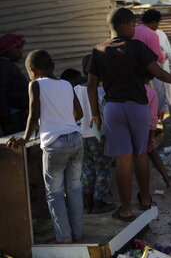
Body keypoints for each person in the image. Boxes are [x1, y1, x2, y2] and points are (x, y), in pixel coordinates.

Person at [87, 8, 171, 221]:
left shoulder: (98, 50)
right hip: (137, 106)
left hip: (113, 108)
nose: (135, 29)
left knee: (123, 159)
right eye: (132, 25)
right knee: (140, 154)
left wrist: (95, 115)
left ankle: (125, 209)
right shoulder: (137, 47)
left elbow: (91, 85)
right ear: (123, 26)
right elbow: (157, 72)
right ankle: (146, 199)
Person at [5, 50, 84, 243]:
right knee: (74, 189)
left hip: (55, 145)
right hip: (75, 139)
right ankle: (78, 234)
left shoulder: (35, 85)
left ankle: (64, 238)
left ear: (32, 70)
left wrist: (25, 138)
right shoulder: (66, 84)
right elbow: (79, 114)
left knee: (55, 192)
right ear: (52, 66)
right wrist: (61, 119)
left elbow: (33, 113)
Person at [74, 55, 116, 215]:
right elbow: (106, 113)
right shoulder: (101, 91)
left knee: (87, 170)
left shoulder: (76, 89)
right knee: (103, 169)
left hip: (81, 134)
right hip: (98, 135)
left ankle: (88, 205)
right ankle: (100, 203)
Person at [145, 79, 171, 188]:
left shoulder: (129, 90)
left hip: (133, 128)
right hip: (146, 129)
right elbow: (154, 117)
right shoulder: (150, 91)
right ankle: (167, 179)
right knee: (149, 151)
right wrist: (152, 134)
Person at [0, 33, 28, 136]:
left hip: (17, 114)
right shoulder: (4, 67)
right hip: (12, 116)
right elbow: (2, 94)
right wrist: (7, 122)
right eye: (19, 48)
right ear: (10, 50)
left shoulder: (9, 65)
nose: (21, 51)